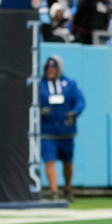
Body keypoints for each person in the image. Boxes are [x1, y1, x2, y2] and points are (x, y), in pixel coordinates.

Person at [39, 56, 85, 202]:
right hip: (47, 131)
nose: (50, 71)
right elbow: (31, 102)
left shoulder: (70, 84)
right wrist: (40, 110)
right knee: (49, 161)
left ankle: (68, 187)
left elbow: (80, 101)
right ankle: (54, 191)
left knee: (68, 162)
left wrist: (74, 113)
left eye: (53, 68)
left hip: (66, 131)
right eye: (48, 68)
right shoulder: (40, 85)